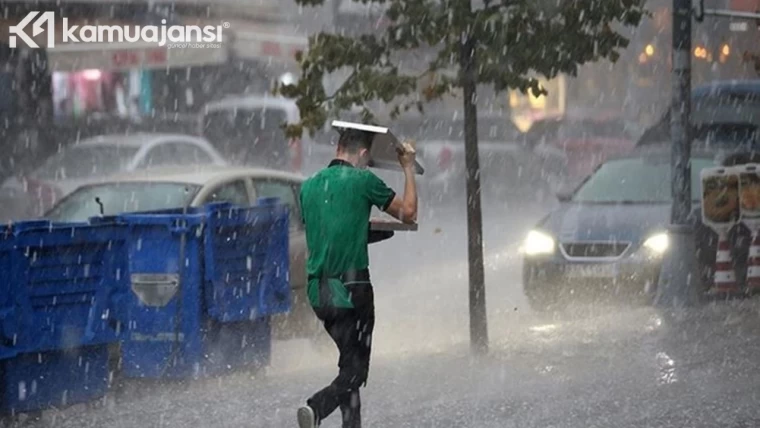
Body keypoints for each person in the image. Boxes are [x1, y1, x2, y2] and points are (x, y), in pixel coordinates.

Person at [297, 128, 418, 428]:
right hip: (352, 290)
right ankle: (316, 407)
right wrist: (408, 168)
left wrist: (362, 230)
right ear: (363, 154)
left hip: (318, 293)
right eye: (367, 159)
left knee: (348, 364)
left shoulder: (308, 187)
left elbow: (329, 233)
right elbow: (409, 212)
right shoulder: (363, 181)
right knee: (356, 372)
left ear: (338, 146)